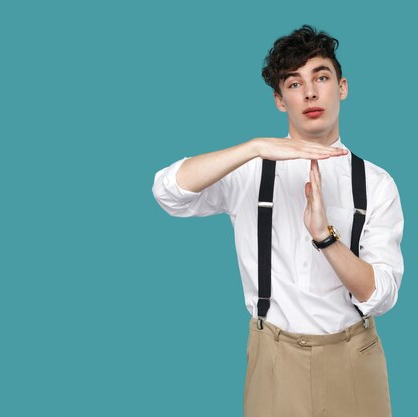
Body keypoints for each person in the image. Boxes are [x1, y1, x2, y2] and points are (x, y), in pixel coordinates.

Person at [152, 25, 404, 417]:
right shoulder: (251, 171)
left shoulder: (376, 183)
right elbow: (168, 191)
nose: (310, 92)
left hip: (355, 355)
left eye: (321, 77)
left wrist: (326, 239)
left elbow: (382, 295)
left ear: (342, 87)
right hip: (273, 357)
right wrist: (254, 147)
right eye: (293, 83)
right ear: (279, 101)